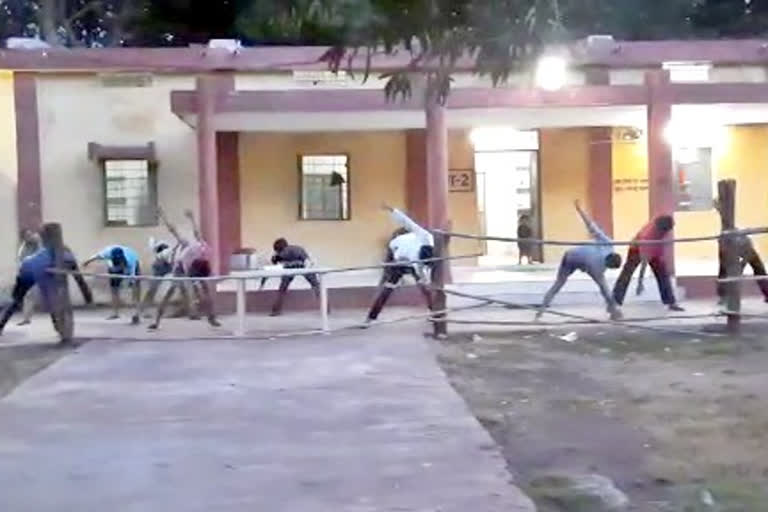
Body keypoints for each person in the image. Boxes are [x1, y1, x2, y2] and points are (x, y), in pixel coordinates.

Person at [536, 201, 623, 321]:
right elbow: (592, 226)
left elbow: (592, 227)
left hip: (579, 259)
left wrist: (580, 210)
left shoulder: (607, 246)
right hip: (570, 258)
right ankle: (540, 313)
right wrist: (580, 210)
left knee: (604, 288)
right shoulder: (606, 247)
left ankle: (614, 310)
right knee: (559, 284)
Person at [149, 209, 220, 330]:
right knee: (170, 292)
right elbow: (174, 231)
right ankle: (157, 321)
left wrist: (192, 219)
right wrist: (164, 217)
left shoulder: (204, 251)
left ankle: (211, 317)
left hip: (196, 268)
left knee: (205, 290)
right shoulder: (187, 247)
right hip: (180, 268)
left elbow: (197, 234)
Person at [0, 244, 93, 336]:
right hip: (38, 271)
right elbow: (79, 279)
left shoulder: (47, 251)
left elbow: (78, 278)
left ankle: (1, 324)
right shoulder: (68, 259)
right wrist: (88, 298)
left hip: (25, 267)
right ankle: (59, 329)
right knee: (51, 299)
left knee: (16, 299)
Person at [365, 205, 434, 324]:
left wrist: (425, 281)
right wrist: (393, 211)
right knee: (387, 289)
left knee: (425, 288)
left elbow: (423, 272)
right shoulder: (421, 236)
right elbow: (408, 222)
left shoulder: (426, 242)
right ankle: (370, 318)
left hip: (411, 262)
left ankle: (434, 313)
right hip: (399, 261)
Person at [612, 215, 684, 311]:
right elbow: (644, 263)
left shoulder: (660, 223)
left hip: (655, 249)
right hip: (637, 249)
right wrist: (640, 283)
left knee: (663, 274)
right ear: (662, 230)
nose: (669, 232)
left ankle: (671, 302)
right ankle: (614, 301)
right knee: (627, 273)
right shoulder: (648, 237)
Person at [713, 199, 768, 303]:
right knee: (724, 271)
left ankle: (724, 296)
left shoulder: (746, 247)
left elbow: (744, 261)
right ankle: (723, 296)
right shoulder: (725, 243)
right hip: (731, 243)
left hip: (741, 245)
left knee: (759, 269)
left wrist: (740, 266)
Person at [131, 238, 187, 324]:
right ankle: (139, 313)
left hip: (171, 266)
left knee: (181, 287)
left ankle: (187, 309)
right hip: (161, 267)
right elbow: (168, 255)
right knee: (152, 290)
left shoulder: (182, 253)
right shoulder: (165, 253)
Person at [83, 244, 141, 320]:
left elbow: (133, 279)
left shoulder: (131, 262)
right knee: (114, 288)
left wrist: (131, 282)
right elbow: (96, 256)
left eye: (120, 263)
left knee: (135, 288)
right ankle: (115, 313)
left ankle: (136, 312)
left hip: (132, 263)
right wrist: (87, 262)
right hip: (114, 267)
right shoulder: (107, 253)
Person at [268, 238, 321, 316]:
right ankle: (326, 308)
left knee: (282, 289)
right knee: (316, 286)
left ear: (279, 248)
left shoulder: (284, 251)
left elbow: (276, 260)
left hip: (297, 267)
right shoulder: (296, 249)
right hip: (303, 266)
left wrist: (275, 258)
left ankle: (276, 310)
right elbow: (307, 260)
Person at [16, 228, 42, 326]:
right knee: (28, 296)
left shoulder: (37, 242)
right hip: (30, 274)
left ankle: (56, 317)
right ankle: (26, 318)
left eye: (30, 235)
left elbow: (41, 252)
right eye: (27, 236)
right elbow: (22, 260)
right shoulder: (23, 248)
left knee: (46, 293)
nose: (29, 237)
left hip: (40, 272)